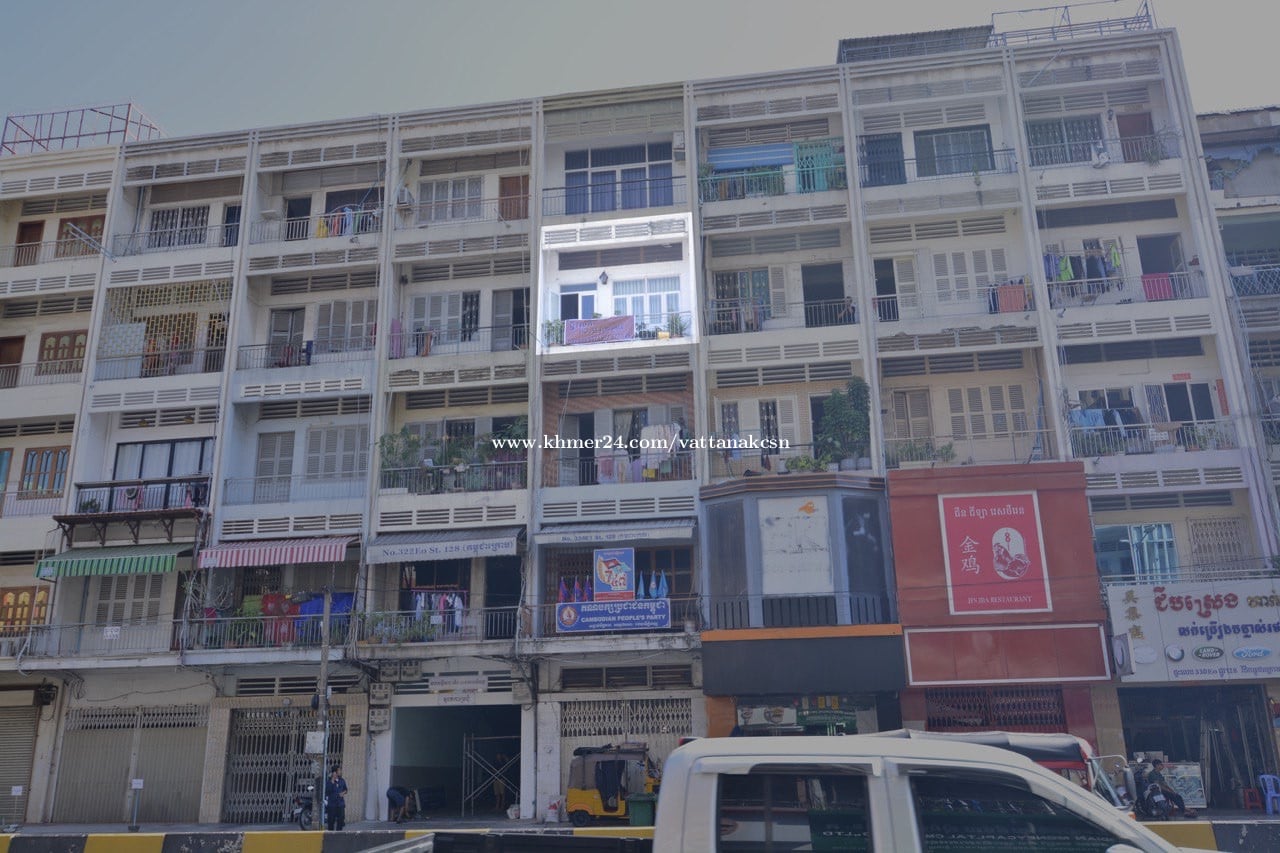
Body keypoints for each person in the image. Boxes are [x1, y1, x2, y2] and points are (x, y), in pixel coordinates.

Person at [324, 764, 348, 830]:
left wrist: (343, 793)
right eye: (339, 770)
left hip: (340, 804)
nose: (340, 771)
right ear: (335, 772)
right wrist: (332, 780)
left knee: (341, 820)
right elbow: (327, 791)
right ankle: (331, 834)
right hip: (332, 805)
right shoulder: (329, 782)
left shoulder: (342, 780)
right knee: (331, 821)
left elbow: (346, 789)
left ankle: (338, 833)